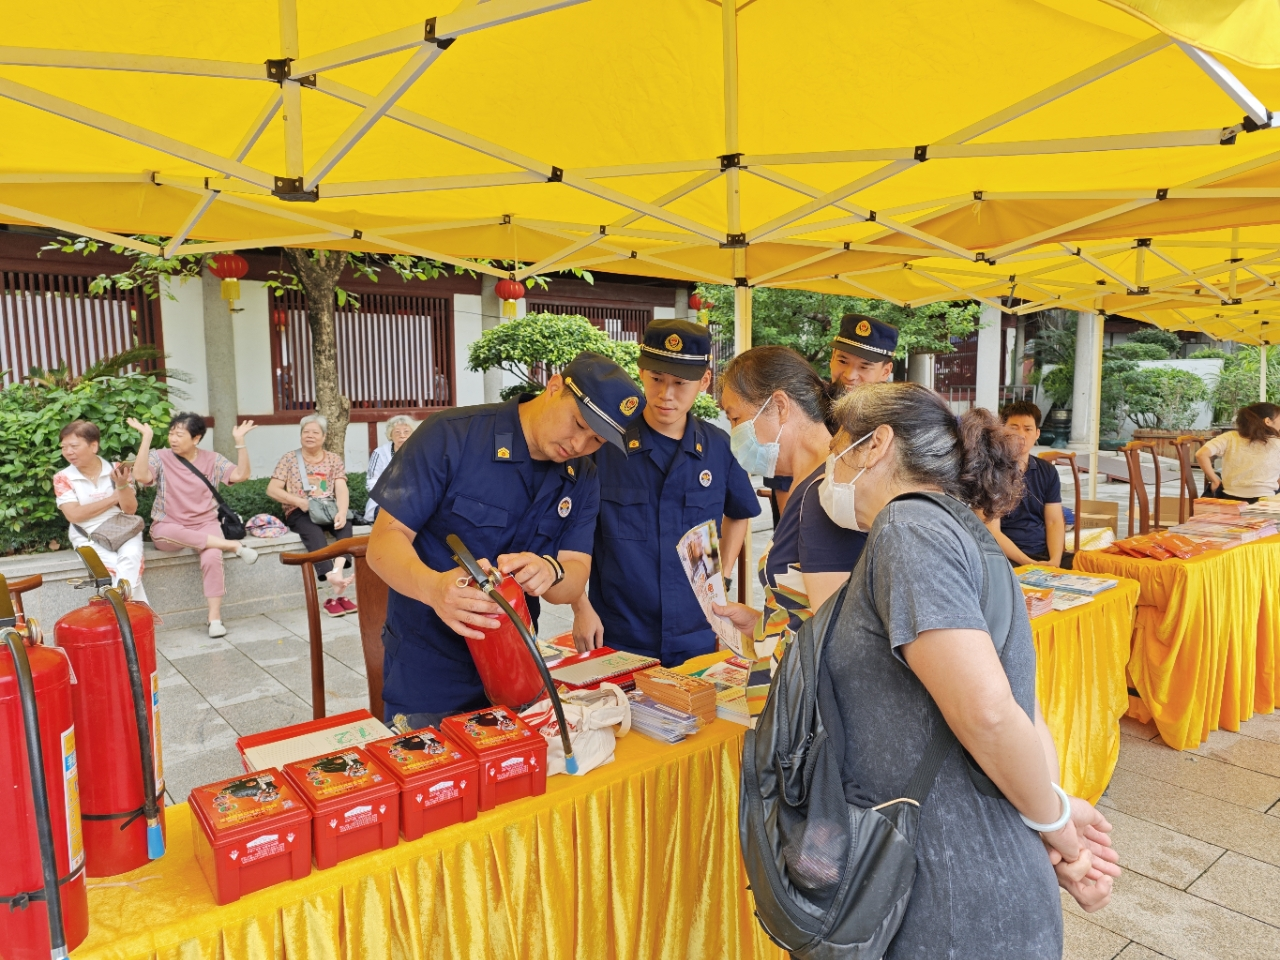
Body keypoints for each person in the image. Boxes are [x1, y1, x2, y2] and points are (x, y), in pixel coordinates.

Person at [796, 382, 1119, 955]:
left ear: (875, 446)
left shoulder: (909, 529)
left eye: (838, 446)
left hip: (945, 894)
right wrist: (1052, 823)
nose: (829, 468)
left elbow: (992, 715)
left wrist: (1057, 823)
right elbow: (1025, 712)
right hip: (974, 878)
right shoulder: (958, 532)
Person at [366, 351, 646, 727]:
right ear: (554, 387)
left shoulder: (582, 477)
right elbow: (384, 542)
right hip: (429, 663)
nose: (580, 445)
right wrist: (433, 588)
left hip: (517, 667)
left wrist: (552, 571)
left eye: (596, 440)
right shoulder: (452, 436)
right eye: (578, 423)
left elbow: (576, 571)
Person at [569, 319, 761, 663]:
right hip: (619, 630)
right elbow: (568, 533)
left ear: (704, 382)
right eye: (656, 379)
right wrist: (579, 606)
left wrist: (724, 575)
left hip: (697, 627)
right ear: (641, 372)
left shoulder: (718, 447)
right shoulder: (604, 444)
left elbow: (739, 513)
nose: (665, 394)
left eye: (679, 383)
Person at [710, 346, 860, 663]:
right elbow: (804, 612)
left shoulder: (826, 495)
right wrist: (758, 623)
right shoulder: (806, 485)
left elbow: (836, 638)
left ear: (779, 406)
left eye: (736, 418)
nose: (735, 432)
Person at [130, 413, 257, 638]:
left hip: (205, 523)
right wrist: (146, 438)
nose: (173, 439)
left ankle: (214, 618)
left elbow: (241, 475)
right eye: (171, 434)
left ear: (196, 438)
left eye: (179, 434)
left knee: (211, 556)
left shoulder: (212, 459)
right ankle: (232, 546)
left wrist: (240, 442)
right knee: (168, 532)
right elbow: (140, 475)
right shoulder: (159, 457)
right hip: (168, 525)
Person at [267, 415, 356, 618]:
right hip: (300, 510)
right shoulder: (289, 459)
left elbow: (341, 488)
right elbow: (272, 489)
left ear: (324, 437)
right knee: (314, 533)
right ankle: (329, 591)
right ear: (300, 436)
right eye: (306, 432)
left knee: (346, 524)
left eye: (315, 432)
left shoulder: (333, 459)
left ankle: (338, 572)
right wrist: (299, 502)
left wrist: (341, 512)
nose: (310, 435)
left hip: (327, 507)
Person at [53, 420, 148, 602]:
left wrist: (121, 486)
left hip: (123, 528)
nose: (68, 452)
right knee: (116, 573)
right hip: (87, 535)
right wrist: (113, 498)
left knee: (130, 559)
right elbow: (74, 515)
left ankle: (128, 622)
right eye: (64, 447)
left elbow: (130, 509)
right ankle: (137, 622)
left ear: (94, 446)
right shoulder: (63, 478)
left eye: (73, 446)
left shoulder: (116, 470)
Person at [987, 401, 1066, 568]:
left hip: (1042, 553)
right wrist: (1029, 564)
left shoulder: (1048, 471)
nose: (1021, 435)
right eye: (1014, 428)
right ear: (1002, 431)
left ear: (1037, 433)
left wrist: (1055, 561)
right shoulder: (992, 470)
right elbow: (993, 531)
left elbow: (1054, 521)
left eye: (1028, 429)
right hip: (1005, 557)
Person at [1196, 402, 1280, 503]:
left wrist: (1215, 480)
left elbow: (1201, 454)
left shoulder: (1229, 437)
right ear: (1267, 421)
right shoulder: (1277, 442)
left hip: (1229, 499)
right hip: (1264, 501)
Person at [363, 415, 417, 523]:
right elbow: (371, 482)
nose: (402, 435)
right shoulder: (380, 453)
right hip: (384, 501)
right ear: (390, 435)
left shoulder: (420, 453)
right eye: (397, 432)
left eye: (406, 432)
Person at [828, 313, 898, 390]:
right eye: (843, 361)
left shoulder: (896, 402)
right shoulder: (814, 400)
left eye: (864, 367)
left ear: (885, 372)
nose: (850, 376)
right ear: (833, 357)